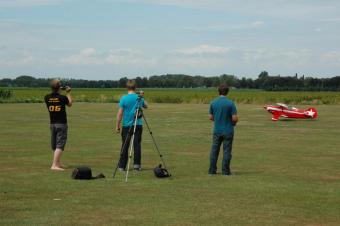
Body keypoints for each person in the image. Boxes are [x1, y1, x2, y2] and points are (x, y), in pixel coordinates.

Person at [116, 80, 147, 171]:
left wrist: (117, 125)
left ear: (127, 88)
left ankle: (122, 166)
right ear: (135, 87)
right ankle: (137, 165)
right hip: (138, 124)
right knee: (137, 145)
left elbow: (120, 113)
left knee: (125, 145)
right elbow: (146, 106)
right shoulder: (139, 97)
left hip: (126, 125)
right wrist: (142, 96)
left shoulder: (124, 98)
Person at [208, 84, 238, 176]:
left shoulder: (213, 103)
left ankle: (212, 171)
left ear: (218, 91)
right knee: (227, 152)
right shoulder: (230, 103)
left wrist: (217, 120)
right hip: (228, 131)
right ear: (227, 92)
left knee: (214, 151)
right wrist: (233, 124)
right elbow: (234, 118)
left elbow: (210, 117)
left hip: (217, 130)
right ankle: (225, 171)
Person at [44, 79, 72, 170]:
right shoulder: (62, 98)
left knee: (55, 145)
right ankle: (54, 165)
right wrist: (68, 93)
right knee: (60, 145)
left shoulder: (47, 97)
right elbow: (70, 103)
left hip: (52, 123)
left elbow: (55, 96)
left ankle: (58, 163)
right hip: (61, 124)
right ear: (59, 87)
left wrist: (58, 89)